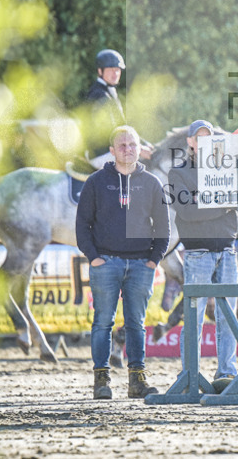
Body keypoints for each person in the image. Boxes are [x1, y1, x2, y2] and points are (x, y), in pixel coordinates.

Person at [76, 125, 170, 400]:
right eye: (122, 145)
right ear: (112, 150)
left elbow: (163, 226)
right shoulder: (96, 181)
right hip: (106, 263)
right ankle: (101, 380)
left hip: (141, 265)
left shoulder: (151, 182)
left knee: (136, 324)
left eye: (132, 145)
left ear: (140, 149)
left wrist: (153, 260)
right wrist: (94, 258)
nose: (128, 149)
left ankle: (137, 380)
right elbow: (83, 224)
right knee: (102, 322)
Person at [167, 120, 238, 380]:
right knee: (194, 316)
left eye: (209, 137)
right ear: (190, 142)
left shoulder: (228, 170)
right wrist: (223, 204)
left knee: (228, 317)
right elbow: (187, 211)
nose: (203, 142)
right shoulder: (178, 173)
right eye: (199, 138)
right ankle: (189, 373)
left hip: (228, 250)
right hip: (197, 252)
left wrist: (204, 201)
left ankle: (227, 372)